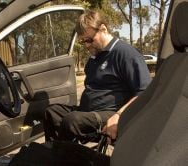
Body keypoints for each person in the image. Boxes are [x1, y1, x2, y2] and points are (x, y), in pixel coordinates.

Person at [43, 9, 151, 142]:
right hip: (88, 112)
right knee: (52, 112)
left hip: (112, 114)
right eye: (83, 42)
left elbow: (145, 91)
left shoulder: (125, 54)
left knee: (73, 121)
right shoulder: (94, 57)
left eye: (89, 40)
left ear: (103, 29)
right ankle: (54, 153)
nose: (87, 46)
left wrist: (118, 116)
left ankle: (63, 157)